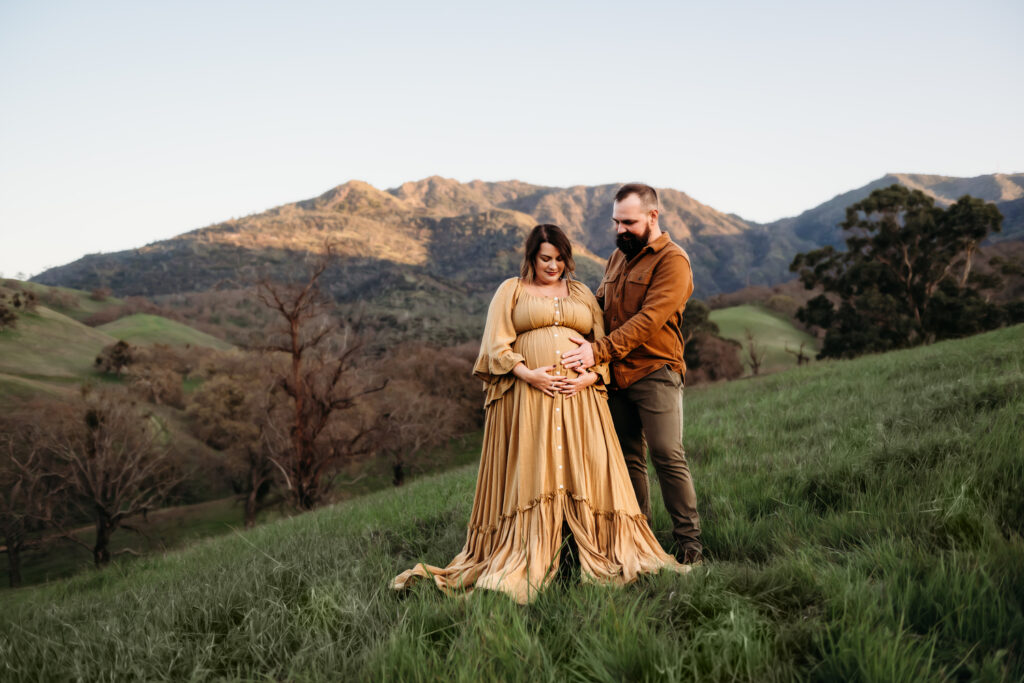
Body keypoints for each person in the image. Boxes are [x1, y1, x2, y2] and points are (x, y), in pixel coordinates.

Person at [391, 224, 688, 604]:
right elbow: (494, 346)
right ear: (531, 257)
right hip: (529, 399)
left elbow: (601, 346)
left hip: (582, 400)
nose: (554, 266)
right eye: (546, 258)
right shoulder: (510, 290)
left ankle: (595, 548)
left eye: (561, 259)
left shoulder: (582, 293)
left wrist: (589, 378)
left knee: (592, 469)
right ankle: (533, 551)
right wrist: (528, 372)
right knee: (536, 471)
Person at [560, 184, 703, 565]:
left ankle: (690, 543)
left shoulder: (673, 261)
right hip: (616, 376)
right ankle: (641, 540)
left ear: (653, 217)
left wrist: (596, 351)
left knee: (666, 453)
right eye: (616, 222)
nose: (620, 229)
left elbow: (649, 320)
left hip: (655, 371)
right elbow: (599, 306)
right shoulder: (616, 259)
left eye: (629, 222)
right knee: (626, 459)